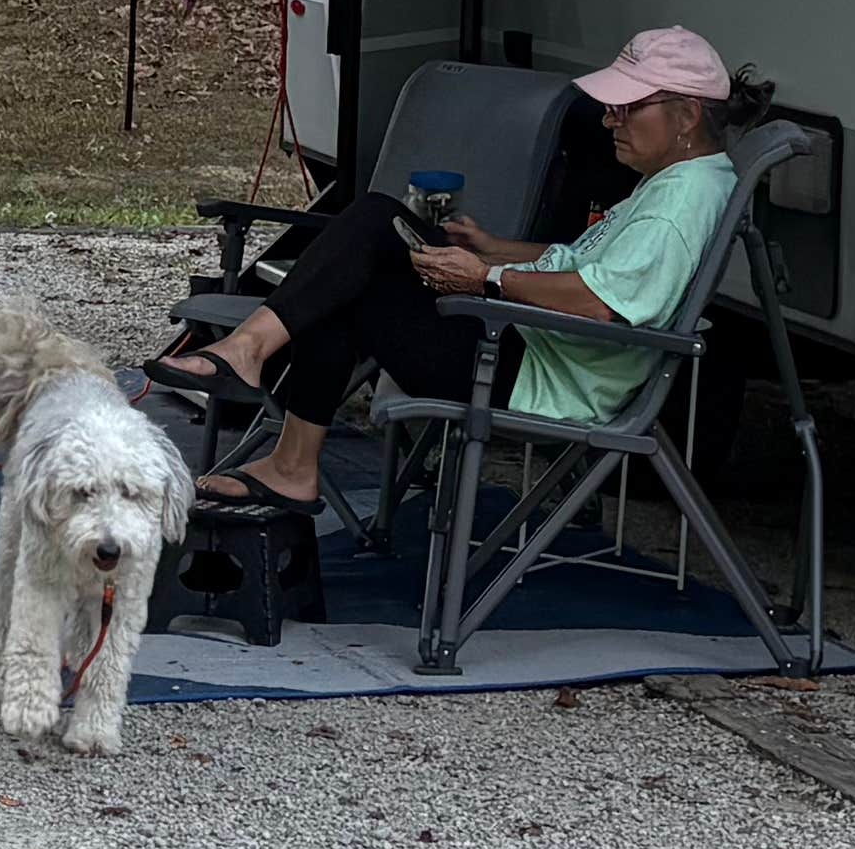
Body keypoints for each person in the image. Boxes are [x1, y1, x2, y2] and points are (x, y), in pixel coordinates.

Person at [162, 26, 742, 508]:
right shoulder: (679, 181)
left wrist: (485, 279)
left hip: (537, 375)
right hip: (535, 344)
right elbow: (592, 263)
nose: (610, 119)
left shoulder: (679, 204)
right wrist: (494, 248)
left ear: (688, 114)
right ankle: (270, 407)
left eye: (627, 106)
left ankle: (259, 378)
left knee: (364, 247)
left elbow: (603, 303)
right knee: (373, 229)